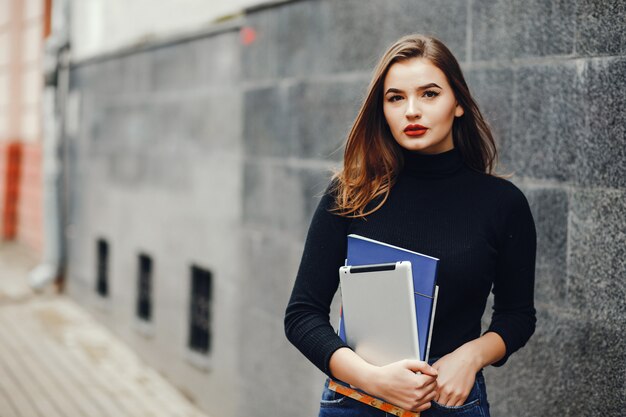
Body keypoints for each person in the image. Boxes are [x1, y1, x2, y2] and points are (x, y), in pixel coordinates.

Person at [284, 33, 536, 417]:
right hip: (356, 400)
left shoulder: (501, 203)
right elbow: (302, 314)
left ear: (459, 104)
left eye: (430, 94)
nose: (412, 111)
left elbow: (517, 315)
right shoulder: (351, 193)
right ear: (381, 110)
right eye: (396, 97)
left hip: (450, 401)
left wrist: (470, 356)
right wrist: (372, 379)